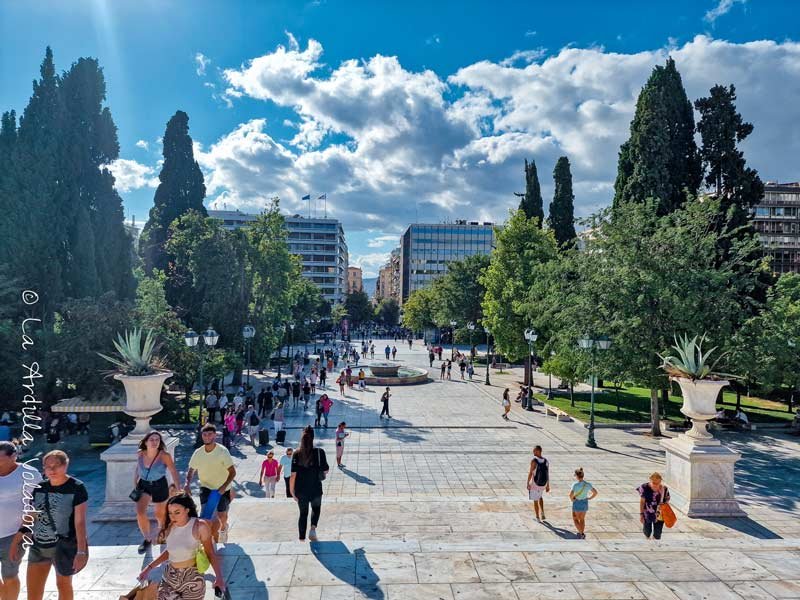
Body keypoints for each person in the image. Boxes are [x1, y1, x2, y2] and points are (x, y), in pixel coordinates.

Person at [25, 450, 88, 600]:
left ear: (65, 465)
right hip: (38, 546)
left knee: (64, 585)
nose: (52, 470)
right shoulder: (39, 487)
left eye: (56, 465)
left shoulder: (77, 487)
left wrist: (81, 551)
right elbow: (32, 515)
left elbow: (79, 522)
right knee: (33, 591)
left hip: (63, 546)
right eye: (48, 467)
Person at [138, 493, 224, 598]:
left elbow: (210, 553)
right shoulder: (169, 526)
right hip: (170, 577)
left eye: (177, 512)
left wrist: (219, 577)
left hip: (193, 579)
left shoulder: (199, 526)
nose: (173, 517)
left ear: (187, 510)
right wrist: (148, 568)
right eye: (170, 513)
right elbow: (170, 551)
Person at [1, 441, 42, 600]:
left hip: (14, 534)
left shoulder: (29, 474)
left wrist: (25, 531)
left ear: (14, 456)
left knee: (10, 575)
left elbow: (37, 505)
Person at [185, 424, 236, 544]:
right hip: (206, 487)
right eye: (204, 434)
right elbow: (191, 470)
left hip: (222, 489)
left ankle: (224, 527)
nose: (207, 437)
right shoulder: (198, 453)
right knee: (205, 514)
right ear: (202, 436)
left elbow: (233, 472)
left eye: (210, 434)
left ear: (215, 435)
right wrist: (187, 483)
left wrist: (224, 487)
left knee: (221, 515)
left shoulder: (223, 451)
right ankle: (208, 540)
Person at [134, 431, 180, 554]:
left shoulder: (164, 455)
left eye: (157, 440)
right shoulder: (140, 453)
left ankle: (162, 531)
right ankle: (147, 538)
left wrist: (178, 487)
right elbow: (137, 468)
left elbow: (173, 471)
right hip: (144, 485)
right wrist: (135, 482)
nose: (155, 442)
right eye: (152, 440)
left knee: (159, 514)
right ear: (145, 442)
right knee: (140, 513)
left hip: (160, 484)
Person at [290, 427, 329, 541]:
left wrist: (292, 491)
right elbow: (326, 470)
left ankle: (301, 539)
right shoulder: (319, 452)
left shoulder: (296, 454)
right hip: (315, 488)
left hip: (301, 490)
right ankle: (312, 529)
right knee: (316, 509)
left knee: (303, 514)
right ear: (313, 438)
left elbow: (293, 475)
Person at [637, 472, 671, 541]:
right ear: (650, 481)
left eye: (657, 483)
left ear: (660, 481)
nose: (656, 485)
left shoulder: (664, 489)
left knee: (658, 533)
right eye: (654, 483)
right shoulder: (644, 487)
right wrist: (641, 514)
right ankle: (648, 542)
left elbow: (667, 500)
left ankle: (655, 544)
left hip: (659, 514)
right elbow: (642, 502)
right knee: (647, 531)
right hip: (647, 513)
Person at [569, 468, 597, 539]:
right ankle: (581, 533)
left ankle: (581, 533)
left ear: (577, 476)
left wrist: (572, 500)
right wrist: (590, 498)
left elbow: (570, 495)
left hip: (577, 502)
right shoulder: (587, 484)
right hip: (584, 502)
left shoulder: (575, 485)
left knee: (575, 519)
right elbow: (595, 492)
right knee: (582, 519)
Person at [527, 445, 550, 522]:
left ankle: (537, 517)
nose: (533, 452)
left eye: (534, 450)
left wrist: (528, 482)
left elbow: (530, 473)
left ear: (538, 451)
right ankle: (542, 512)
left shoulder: (534, 461)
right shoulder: (546, 461)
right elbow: (547, 474)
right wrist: (548, 485)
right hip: (543, 484)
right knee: (540, 496)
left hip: (535, 483)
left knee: (535, 500)